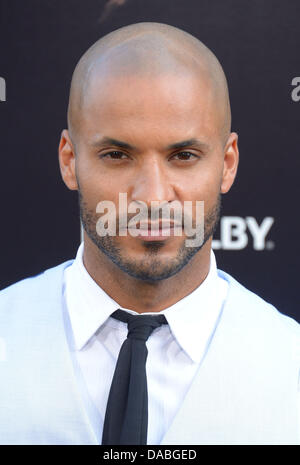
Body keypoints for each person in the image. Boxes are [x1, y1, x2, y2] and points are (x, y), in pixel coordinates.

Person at [0, 22, 299, 446]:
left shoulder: (291, 368)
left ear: (228, 163)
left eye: (184, 156)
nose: (153, 197)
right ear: (69, 161)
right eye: (117, 155)